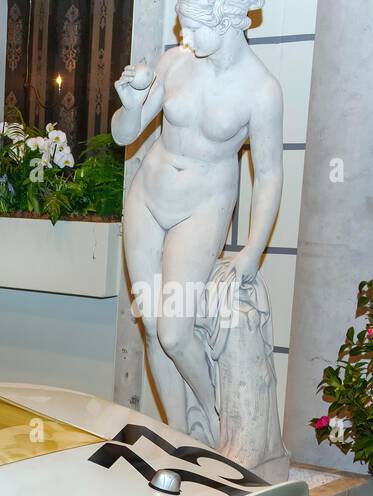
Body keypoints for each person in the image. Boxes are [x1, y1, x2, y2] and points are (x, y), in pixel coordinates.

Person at [112, 0, 279, 443]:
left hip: (202, 209)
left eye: (191, 27)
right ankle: (179, 438)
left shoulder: (261, 89)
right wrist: (130, 105)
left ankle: (217, 416)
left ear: (222, 22)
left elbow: (269, 175)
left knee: (174, 331)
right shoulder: (174, 63)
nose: (183, 37)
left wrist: (253, 250)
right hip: (147, 199)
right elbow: (124, 135)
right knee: (151, 326)